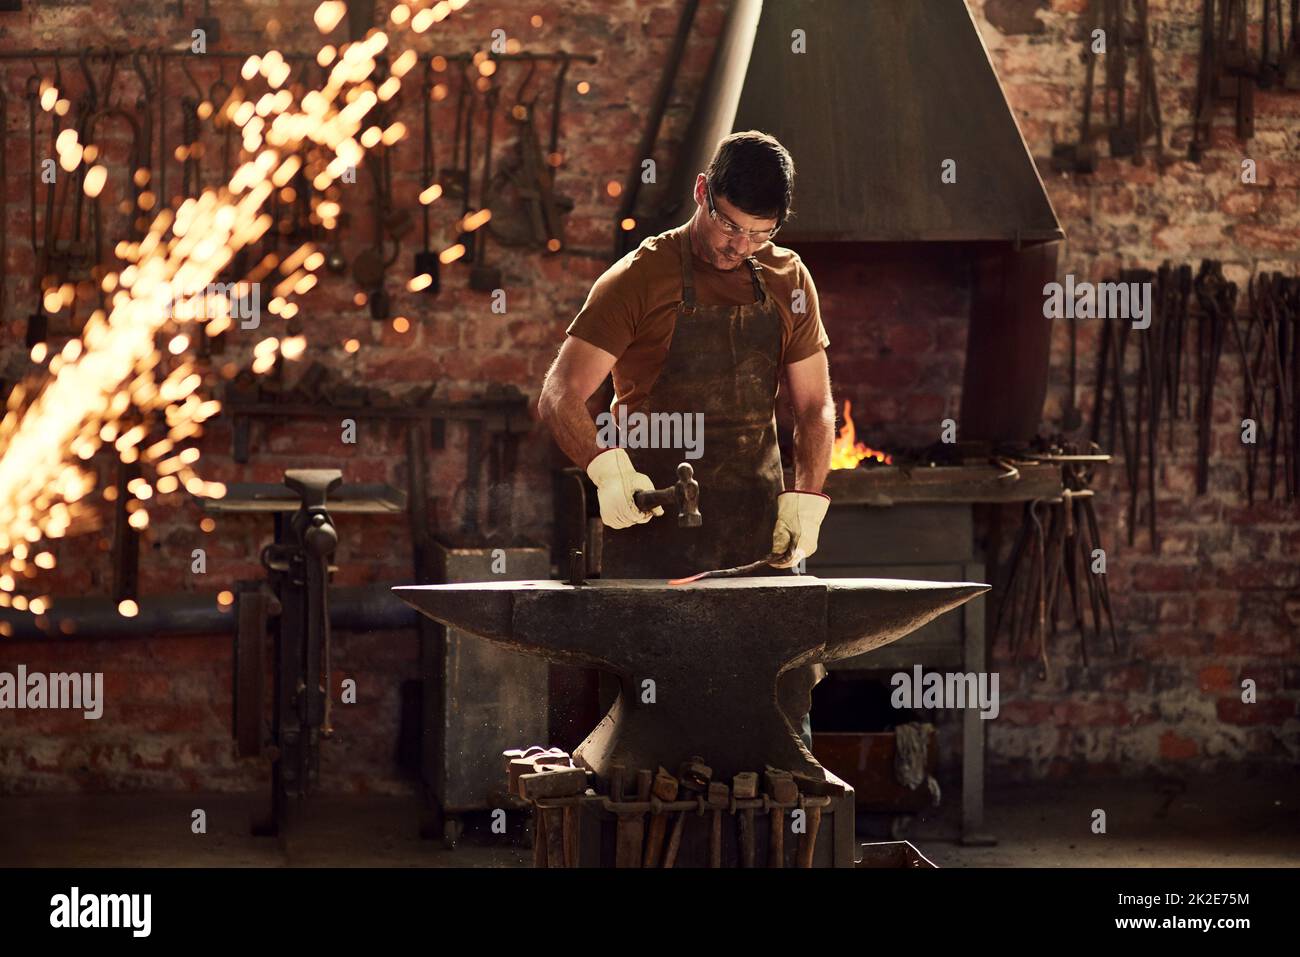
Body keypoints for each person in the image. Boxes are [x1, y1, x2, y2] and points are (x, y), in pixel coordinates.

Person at [538, 130, 834, 749]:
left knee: (774, 731)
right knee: (652, 737)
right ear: (702, 192)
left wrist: (807, 498)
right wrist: (604, 469)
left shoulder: (787, 277)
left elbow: (814, 407)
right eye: (729, 227)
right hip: (656, 537)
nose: (740, 247)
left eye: (761, 233)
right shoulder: (640, 279)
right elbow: (561, 394)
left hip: (760, 545)